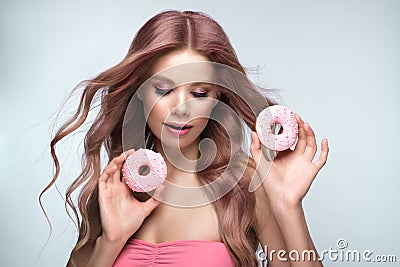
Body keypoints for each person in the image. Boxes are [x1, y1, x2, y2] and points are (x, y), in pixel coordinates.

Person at [40, 9, 329, 267]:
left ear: (218, 96)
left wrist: (287, 206)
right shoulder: (116, 189)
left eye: (199, 93)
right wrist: (111, 243)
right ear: (140, 92)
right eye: (164, 90)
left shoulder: (245, 184)